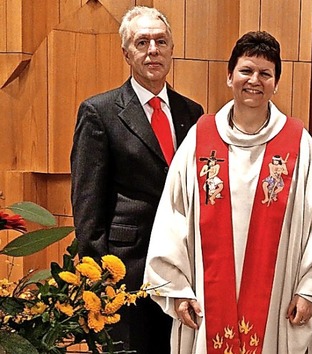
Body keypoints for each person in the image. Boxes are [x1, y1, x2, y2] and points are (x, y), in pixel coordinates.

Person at [143, 31, 312, 354]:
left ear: (276, 83)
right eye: (246, 71)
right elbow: (173, 215)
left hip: (277, 305)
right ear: (229, 76)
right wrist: (178, 290)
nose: (255, 80)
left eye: (265, 73)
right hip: (207, 306)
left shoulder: (298, 143)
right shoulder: (201, 138)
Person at [70, 6, 204, 354]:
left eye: (161, 41)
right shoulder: (99, 112)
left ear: (172, 49)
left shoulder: (193, 113)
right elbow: (87, 206)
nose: (153, 50)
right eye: (141, 42)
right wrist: (100, 281)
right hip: (127, 269)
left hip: (182, 270)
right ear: (126, 53)